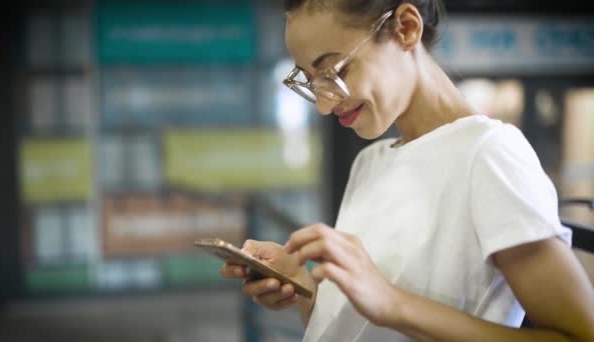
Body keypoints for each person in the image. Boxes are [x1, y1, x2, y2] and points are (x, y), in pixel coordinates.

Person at [221, 0, 594, 341]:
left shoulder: (488, 154)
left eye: (333, 70)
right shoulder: (371, 162)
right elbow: (362, 328)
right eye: (309, 79)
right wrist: (304, 289)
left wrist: (393, 304)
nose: (323, 104)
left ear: (406, 28)